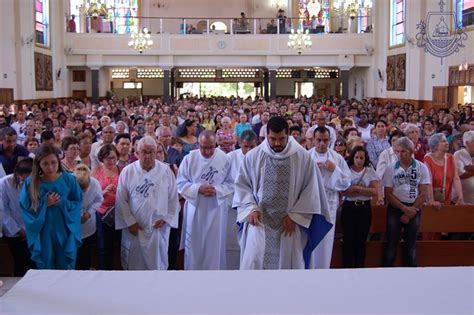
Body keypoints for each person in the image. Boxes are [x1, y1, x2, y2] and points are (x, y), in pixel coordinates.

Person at [233, 116, 331, 270]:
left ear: (288, 135)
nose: (277, 143)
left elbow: (311, 190)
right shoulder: (254, 156)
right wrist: (251, 207)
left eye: (281, 139)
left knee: (289, 268)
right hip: (260, 221)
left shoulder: (303, 157)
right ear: (266, 136)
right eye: (273, 139)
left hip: (289, 223)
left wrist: (296, 216)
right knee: (253, 262)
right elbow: (242, 185)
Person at [115, 136, 180, 270]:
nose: (148, 156)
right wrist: (130, 222)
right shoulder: (128, 172)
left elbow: (173, 199)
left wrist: (166, 219)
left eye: (151, 152)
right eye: (144, 152)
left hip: (158, 229)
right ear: (137, 153)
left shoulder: (166, 171)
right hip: (135, 229)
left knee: (157, 264)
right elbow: (121, 200)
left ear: (156, 153)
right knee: (134, 265)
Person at [177, 130, 233, 270]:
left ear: (216, 144)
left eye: (211, 147)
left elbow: (231, 183)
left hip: (216, 210)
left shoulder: (225, 158)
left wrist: (218, 190)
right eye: (203, 147)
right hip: (196, 209)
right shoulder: (189, 159)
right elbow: (180, 183)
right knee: (195, 249)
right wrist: (197, 189)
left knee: (214, 248)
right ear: (198, 144)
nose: (207, 151)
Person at [20, 145, 83, 269]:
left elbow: (77, 203)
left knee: (65, 264)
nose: (50, 167)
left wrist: (62, 202)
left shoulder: (69, 180)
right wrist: (45, 204)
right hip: (43, 231)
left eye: (53, 162)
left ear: (59, 161)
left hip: (64, 229)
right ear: (39, 164)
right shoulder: (31, 183)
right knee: (46, 263)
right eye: (45, 164)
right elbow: (26, 209)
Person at [382, 137, 431, 267]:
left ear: (410, 151)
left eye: (403, 151)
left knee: (411, 243)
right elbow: (388, 193)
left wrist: (411, 211)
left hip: (414, 207)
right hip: (396, 207)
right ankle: (386, 272)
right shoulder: (391, 168)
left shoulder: (421, 167)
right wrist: (404, 209)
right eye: (397, 151)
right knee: (391, 242)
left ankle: (411, 273)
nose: (399, 154)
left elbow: (423, 193)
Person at [308, 126, 351, 269]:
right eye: (318, 140)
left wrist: (335, 169)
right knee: (310, 240)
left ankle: (323, 270)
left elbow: (346, 183)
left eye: (325, 140)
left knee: (325, 242)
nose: (321, 144)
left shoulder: (337, 159)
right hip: (311, 204)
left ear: (330, 140)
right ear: (313, 140)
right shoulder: (306, 157)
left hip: (329, 203)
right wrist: (312, 169)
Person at [341, 146, 379, 268]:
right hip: (349, 207)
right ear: (352, 157)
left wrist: (357, 188)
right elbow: (343, 191)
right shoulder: (346, 170)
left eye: (361, 158)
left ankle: (359, 267)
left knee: (361, 240)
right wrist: (364, 190)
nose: (359, 160)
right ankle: (347, 267)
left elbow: (374, 191)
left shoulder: (369, 171)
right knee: (348, 239)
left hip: (364, 208)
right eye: (356, 157)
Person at [226, 130, 258, 269]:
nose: (249, 150)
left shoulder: (261, 158)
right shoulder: (230, 158)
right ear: (239, 144)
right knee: (231, 243)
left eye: (252, 147)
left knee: (248, 246)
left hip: (252, 209)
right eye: (246, 147)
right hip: (232, 208)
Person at [0, 158, 36, 276]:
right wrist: (17, 229)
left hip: (33, 229)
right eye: (21, 178)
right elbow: (3, 211)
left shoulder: (38, 182)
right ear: (17, 173)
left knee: (34, 263)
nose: (23, 182)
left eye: (28, 179)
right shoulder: (5, 183)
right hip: (13, 231)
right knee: (20, 263)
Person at [91, 144, 122, 270]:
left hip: (119, 212)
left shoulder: (122, 170)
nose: (111, 161)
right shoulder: (96, 171)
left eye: (114, 158)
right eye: (108, 158)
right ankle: (104, 272)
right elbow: (90, 194)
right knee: (104, 246)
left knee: (121, 244)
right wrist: (103, 192)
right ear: (102, 158)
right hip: (102, 212)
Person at [73, 164, 103, 270]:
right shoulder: (70, 184)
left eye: (85, 188)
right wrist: (77, 215)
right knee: (74, 256)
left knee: (86, 255)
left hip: (89, 225)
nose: (84, 191)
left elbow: (99, 199)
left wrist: (89, 212)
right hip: (73, 226)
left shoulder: (95, 183)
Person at [424, 133, 464, 208]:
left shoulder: (451, 158)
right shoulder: (427, 159)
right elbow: (428, 182)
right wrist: (432, 201)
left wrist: (460, 197)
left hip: (447, 199)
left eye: (446, 141)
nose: (447, 143)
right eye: (443, 141)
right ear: (435, 146)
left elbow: (456, 178)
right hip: (432, 201)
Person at [454, 131, 474, 205]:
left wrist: (469, 168)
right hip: (462, 202)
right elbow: (461, 174)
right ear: (467, 143)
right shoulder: (459, 154)